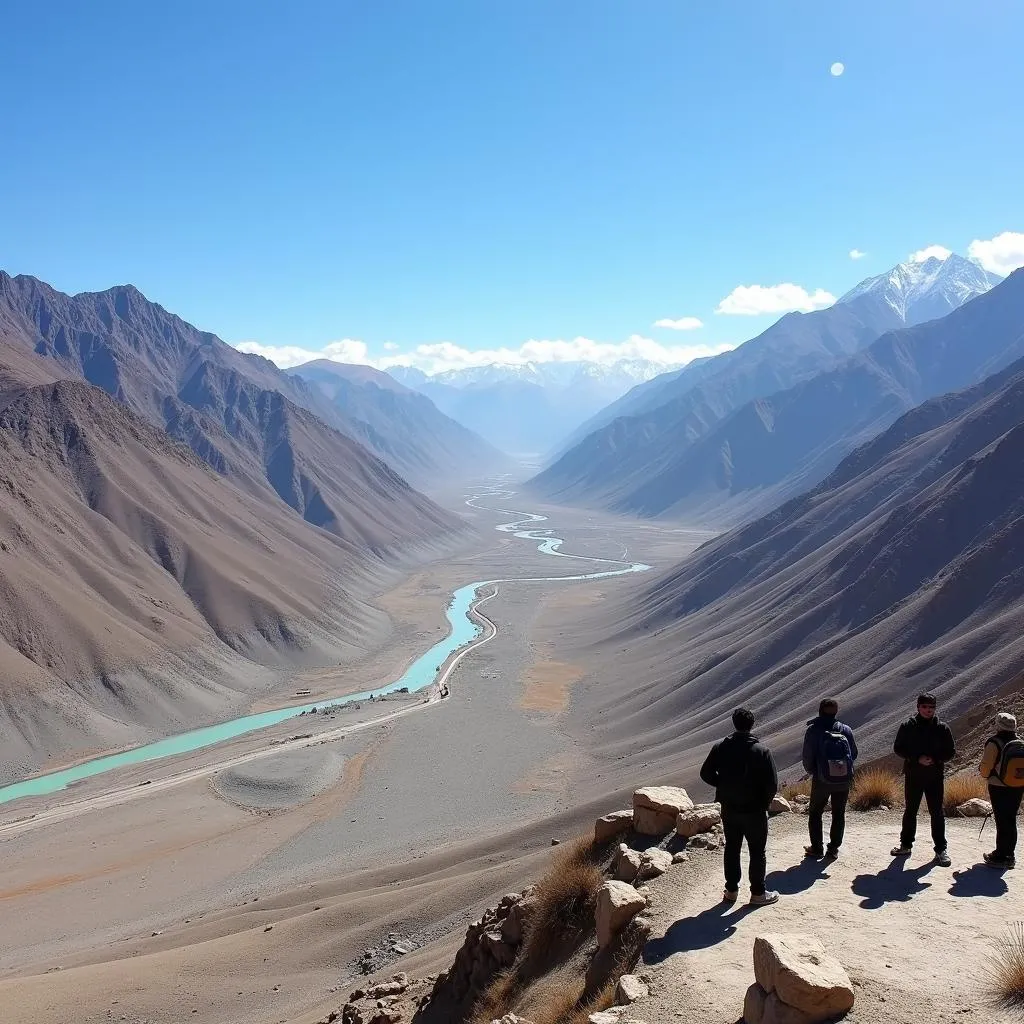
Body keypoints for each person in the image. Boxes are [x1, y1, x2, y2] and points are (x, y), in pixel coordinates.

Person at [700, 707, 780, 906]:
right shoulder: (762, 751)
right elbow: (772, 784)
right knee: (757, 851)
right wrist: (764, 803)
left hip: (730, 808)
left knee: (732, 848)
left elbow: (706, 773)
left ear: (734, 723)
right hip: (755, 810)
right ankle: (758, 893)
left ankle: (731, 891)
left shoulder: (721, 747)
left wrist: (723, 785)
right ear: (752, 725)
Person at [891, 692, 956, 866]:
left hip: (935, 776)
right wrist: (916, 758)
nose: (928, 710)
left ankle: (941, 850)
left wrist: (936, 759)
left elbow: (950, 751)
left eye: (932, 707)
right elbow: (898, 748)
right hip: (913, 775)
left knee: (937, 813)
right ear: (918, 707)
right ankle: (905, 845)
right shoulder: (908, 726)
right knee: (910, 811)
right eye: (925, 707)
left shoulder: (942, 728)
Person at [801, 698, 858, 861]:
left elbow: (807, 756)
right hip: (843, 779)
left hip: (822, 779)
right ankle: (833, 849)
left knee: (815, 812)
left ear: (819, 711)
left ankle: (817, 848)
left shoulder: (813, 730)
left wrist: (815, 771)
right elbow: (853, 753)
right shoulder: (845, 729)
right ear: (836, 712)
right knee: (839, 813)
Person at [979, 711, 1024, 869]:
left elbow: (986, 767)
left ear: (998, 725)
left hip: (998, 786)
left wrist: (986, 775)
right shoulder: (1020, 742)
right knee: (1010, 820)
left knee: (1001, 820)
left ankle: (1000, 856)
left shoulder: (994, 742)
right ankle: (1009, 855)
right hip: (1018, 786)